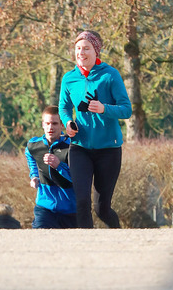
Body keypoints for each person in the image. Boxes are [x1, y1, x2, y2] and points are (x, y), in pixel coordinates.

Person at [58, 30, 132, 229]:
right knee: (81, 202)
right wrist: (68, 123)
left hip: (108, 148)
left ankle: (118, 236)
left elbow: (127, 109)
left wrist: (104, 108)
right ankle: (86, 246)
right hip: (79, 147)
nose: (81, 53)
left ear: (96, 51)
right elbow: (64, 107)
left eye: (86, 48)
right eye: (78, 48)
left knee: (102, 209)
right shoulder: (69, 78)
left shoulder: (110, 75)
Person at [24, 106, 77, 229]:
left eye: (54, 123)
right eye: (47, 123)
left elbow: (79, 179)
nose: (50, 127)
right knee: (41, 240)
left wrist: (59, 166)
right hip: (45, 207)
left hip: (70, 209)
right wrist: (34, 176)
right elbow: (30, 156)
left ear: (62, 125)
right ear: (43, 124)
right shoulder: (34, 145)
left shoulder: (72, 147)